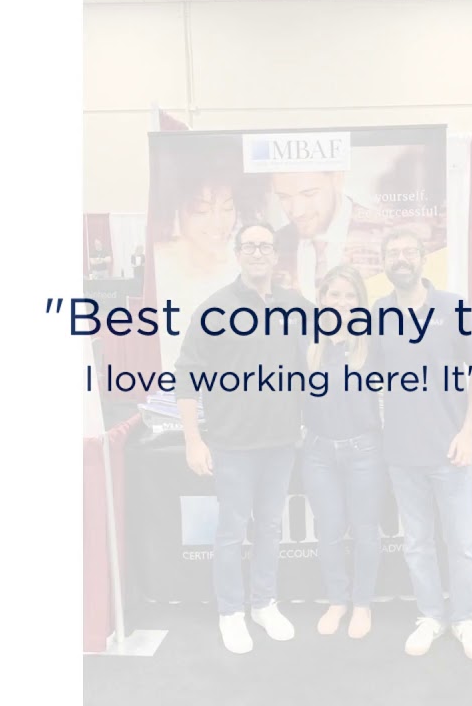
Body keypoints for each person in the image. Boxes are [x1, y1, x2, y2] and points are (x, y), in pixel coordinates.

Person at [173, 222, 309, 655]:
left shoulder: (294, 305)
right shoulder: (214, 309)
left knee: (269, 527)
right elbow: (187, 376)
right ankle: (230, 611)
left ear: (275, 255)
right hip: (231, 445)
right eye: (249, 246)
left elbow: (327, 344)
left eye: (265, 246)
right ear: (237, 254)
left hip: (281, 443)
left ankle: (264, 604)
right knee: (232, 531)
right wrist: (193, 440)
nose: (257, 252)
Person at [374, 228, 472, 661]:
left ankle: (463, 619)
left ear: (423, 259)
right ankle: (431, 616)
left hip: (451, 450)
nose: (401, 258)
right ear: (384, 262)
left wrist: (468, 431)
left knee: (460, 543)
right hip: (402, 454)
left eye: (409, 251)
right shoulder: (377, 314)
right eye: (393, 252)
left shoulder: (453, 307)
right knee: (417, 543)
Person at [301, 264, 384, 639]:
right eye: (335, 294)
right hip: (319, 453)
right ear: (322, 298)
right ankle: (338, 601)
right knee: (330, 531)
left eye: (351, 296)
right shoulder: (309, 342)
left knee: (366, 531)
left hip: (364, 451)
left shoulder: (372, 342)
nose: (342, 302)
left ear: (361, 302)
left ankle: (362, 604)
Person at [153, 170, 241, 369]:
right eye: (202, 210)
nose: (218, 223)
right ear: (177, 209)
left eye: (227, 208)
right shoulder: (160, 265)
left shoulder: (241, 264)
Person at [270, 171, 386, 300]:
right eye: (283, 197)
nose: (297, 212)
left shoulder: (388, 234)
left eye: (309, 194)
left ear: (337, 179)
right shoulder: (272, 245)